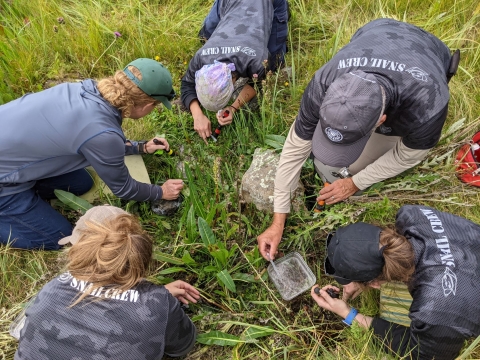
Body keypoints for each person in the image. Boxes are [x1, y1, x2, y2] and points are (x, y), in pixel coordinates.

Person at [257, 18, 458, 260]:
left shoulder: (427, 107)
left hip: (428, 53)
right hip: (378, 30)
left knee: (353, 167)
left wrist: (355, 182)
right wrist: (278, 220)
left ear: (381, 121)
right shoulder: (323, 83)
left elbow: (407, 156)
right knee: (332, 165)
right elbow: (293, 150)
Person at [0, 58, 184, 250]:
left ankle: (25, 192)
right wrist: (161, 191)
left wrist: (140, 147)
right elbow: (124, 188)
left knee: (82, 182)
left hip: (10, 156)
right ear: (147, 106)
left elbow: (94, 141)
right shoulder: (102, 133)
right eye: (155, 106)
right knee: (61, 236)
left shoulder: (83, 89)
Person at [14, 205, 199, 359]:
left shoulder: (51, 290)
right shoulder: (157, 305)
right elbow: (183, 346)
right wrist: (159, 301)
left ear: (80, 250)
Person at [311, 205, 480, 360]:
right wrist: (360, 277)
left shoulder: (434, 309)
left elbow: (418, 353)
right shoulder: (412, 215)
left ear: (375, 284)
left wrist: (349, 314)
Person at [180, 0, 288, 143]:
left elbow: (257, 85)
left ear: (233, 81)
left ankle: (282, 10)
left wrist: (233, 107)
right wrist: (197, 115)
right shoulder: (202, 56)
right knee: (205, 34)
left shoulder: (257, 62)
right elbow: (187, 83)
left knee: (277, 60)